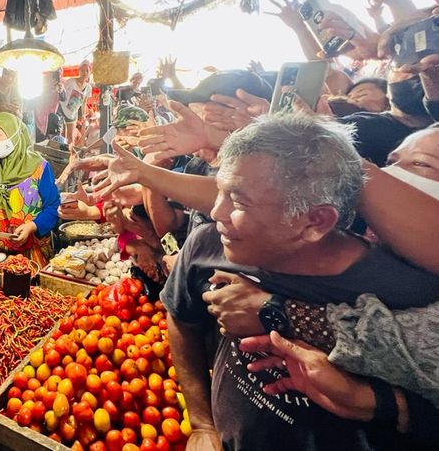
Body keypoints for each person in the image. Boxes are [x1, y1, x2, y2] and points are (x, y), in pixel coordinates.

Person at [159, 114, 439, 450]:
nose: (216, 213)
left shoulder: (406, 293)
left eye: (239, 201)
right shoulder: (209, 244)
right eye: (220, 191)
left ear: (315, 221)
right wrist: (203, 423)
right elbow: (180, 316)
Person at [0, 112, 60, 266]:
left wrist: (32, 226)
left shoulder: (39, 167)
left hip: (32, 255)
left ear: (15, 135)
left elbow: (54, 207)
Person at [59, 61, 92, 145]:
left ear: (90, 72)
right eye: (82, 70)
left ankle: (69, 155)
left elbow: (84, 102)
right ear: (79, 71)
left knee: (70, 137)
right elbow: (61, 93)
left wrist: (84, 115)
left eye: (87, 71)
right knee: (60, 135)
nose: (84, 73)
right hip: (61, 110)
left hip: (72, 113)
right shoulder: (71, 81)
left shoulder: (88, 88)